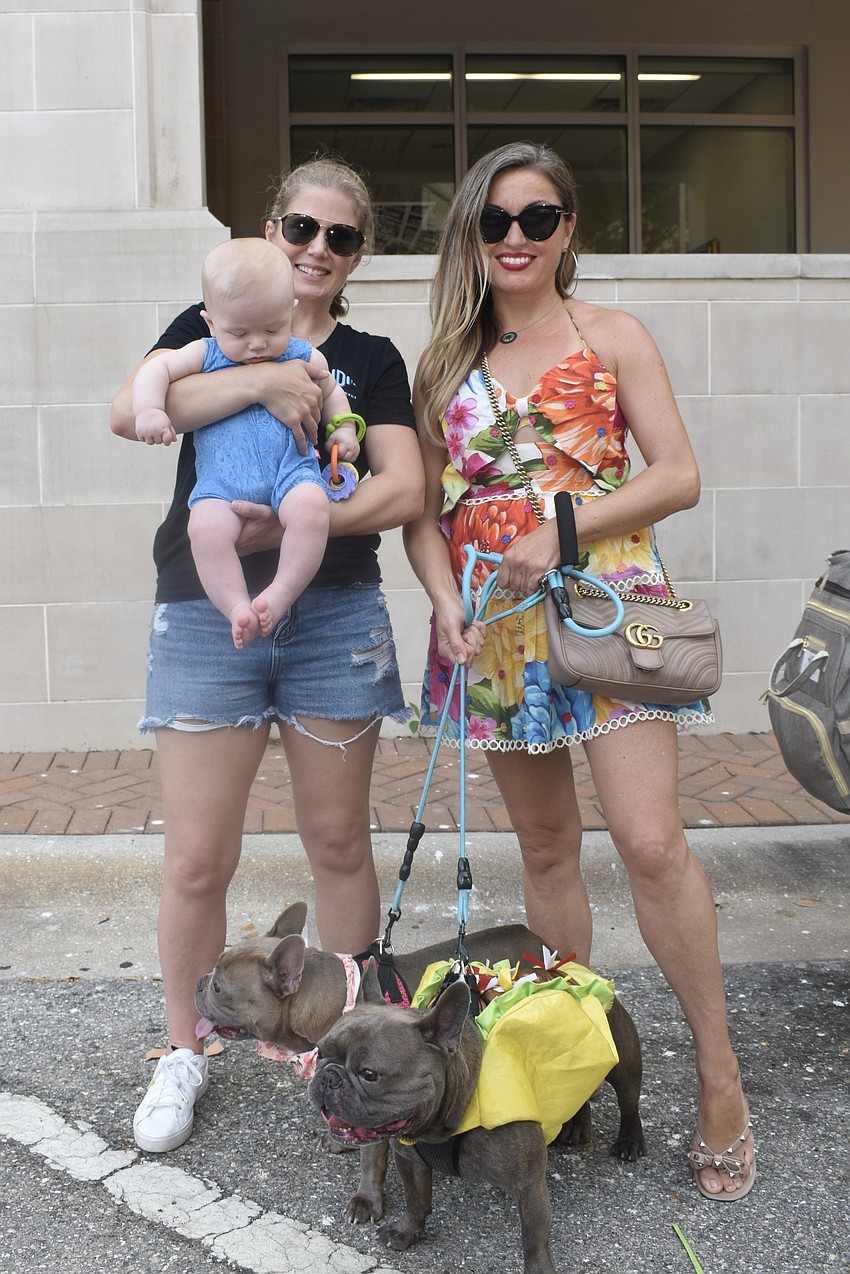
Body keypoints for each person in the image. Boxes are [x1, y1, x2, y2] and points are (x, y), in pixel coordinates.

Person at [403, 142, 756, 1202]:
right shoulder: (442, 362)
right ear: (471, 230)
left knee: (650, 842)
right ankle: (573, 1062)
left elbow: (678, 475)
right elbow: (422, 513)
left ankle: (717, 1072)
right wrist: (441, 597)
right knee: (547, 847)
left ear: (567, 229)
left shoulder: (612, 335)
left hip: (608, 606)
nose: (516, 235)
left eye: (538, 215)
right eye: (495, 218)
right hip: (496, 627)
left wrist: (563, 524)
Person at [109, 156, 424, 1153]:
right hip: (206, 615)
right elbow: (133, 411)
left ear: (359, 252)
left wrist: (301, 516)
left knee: (338, 844)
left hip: (332, 614)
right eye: (301, 229)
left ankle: (361, 1054)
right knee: (198, 856)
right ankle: (182, 1052)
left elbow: (402, 486)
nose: (317, 250)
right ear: (270, 234)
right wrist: (266, 373)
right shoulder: (202, 326)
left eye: (340, 236)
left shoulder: (368, 355)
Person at [132, 238, 362, 649]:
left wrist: (343, 430)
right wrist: (150, 411)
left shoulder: (301, 352)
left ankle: (280, 593)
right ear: (211, 321)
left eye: (272, 329)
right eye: (239, 332)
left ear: (289, 311)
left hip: (291, 473)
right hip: (222, 487)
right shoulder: (205, 353)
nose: (257, 344)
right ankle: (236, 605)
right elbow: (155, 371)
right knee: (203, 528)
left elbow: (329, 391)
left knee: (312, 509)